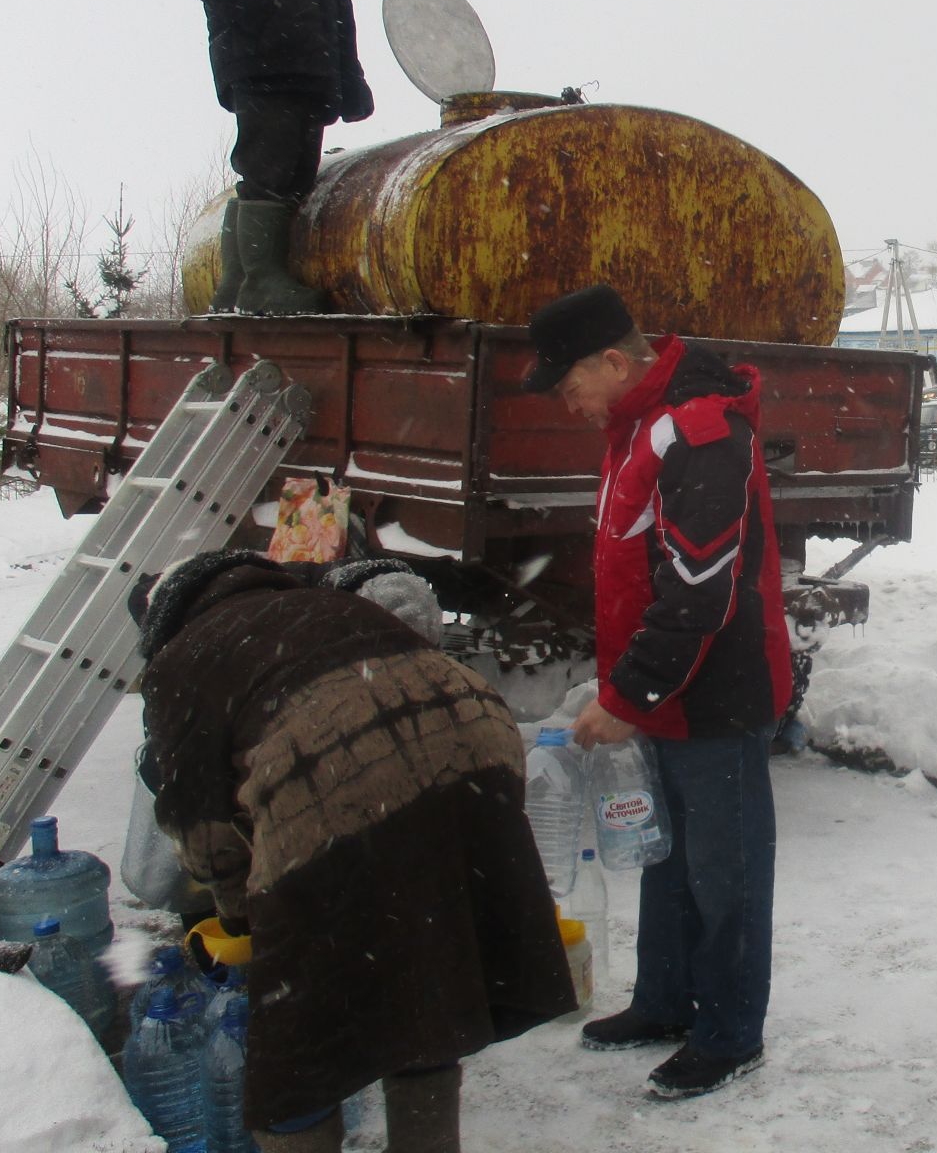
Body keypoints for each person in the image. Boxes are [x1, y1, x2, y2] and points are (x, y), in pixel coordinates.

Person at [131, 549, 576, 1153]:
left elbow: (203, 829)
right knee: (426, 953)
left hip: (340, 770)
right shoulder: (317, 600)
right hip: (476, 735)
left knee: (295, 1041)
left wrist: (242, 920)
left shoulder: (179, 661)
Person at [523, 284, 792, 1100]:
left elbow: (699, 589)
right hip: (667, 690)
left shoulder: (698, 428)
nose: (566, 402)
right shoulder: (637, 422)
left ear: (613, 360)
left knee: (726, 871)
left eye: (568, 383)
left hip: (719, 692)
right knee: (666, 860)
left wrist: (627, 695)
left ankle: (729, 1033)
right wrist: (626, 686)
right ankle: (666, 1001)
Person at [178, 0, 374, 315]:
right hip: (262, 60)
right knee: (267, 167)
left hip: (311, 66)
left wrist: (347, 71)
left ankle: (236, 288)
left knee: (292, 175)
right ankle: (260, 283)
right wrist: (258, 17)